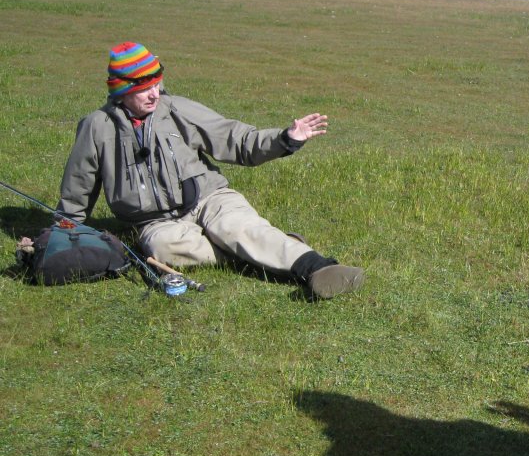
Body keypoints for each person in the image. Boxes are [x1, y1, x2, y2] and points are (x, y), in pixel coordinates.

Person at [58, 41, 365, 300]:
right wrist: (67, 227)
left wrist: (284, 139)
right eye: (144, 88)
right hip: (154, 221)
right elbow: (79, 181)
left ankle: (318, 268)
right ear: (121, 90)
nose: (154, 94)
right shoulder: (96, 127)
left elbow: (235, 138)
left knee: (237, 228)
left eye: (156, 84)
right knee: (162, 249)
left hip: (210, 199)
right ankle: (268, 245)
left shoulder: (177, 109)